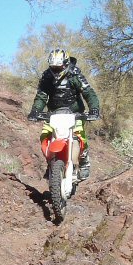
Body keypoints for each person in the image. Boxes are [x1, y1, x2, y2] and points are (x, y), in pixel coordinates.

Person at [26, 48, 101, 180]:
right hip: (53, 113)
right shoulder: (47, 76)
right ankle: (51, 163)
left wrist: (94, 109)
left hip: (75, 113)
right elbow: (41, 96)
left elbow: (89, 93)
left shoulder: (75, 75)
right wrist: (35, 110)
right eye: (53, 67)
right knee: (44, 135)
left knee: (79, 136)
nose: (56, 71)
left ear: (66, 64)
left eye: (59, 67)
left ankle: (84, 162)